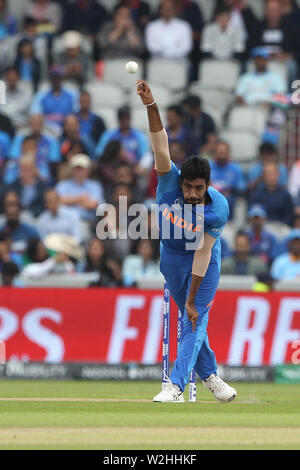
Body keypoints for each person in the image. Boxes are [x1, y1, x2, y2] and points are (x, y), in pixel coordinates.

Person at [136, 79, 237, 403]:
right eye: (188, 187)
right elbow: (159, 142)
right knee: (192, 318)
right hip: (171, 259)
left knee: (192, 317)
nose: (193, 194)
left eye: (199, 188)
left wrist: (193, 299)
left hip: (203, 263)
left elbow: (204, 252)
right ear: (180, 181)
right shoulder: (168, 180)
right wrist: (151, 105)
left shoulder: (218, 208)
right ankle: (211, 376)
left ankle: (175, 385)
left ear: (208, 184)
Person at [5, 114, 60, 185]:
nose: (36, 127)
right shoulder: (20, 139)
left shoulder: (51, 142)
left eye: (38, 124)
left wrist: (34, 170)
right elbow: (8, 182)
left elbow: (47, 179)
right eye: (33, 124)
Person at [96, 106, 152, 173]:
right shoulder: (108, 135)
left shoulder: (139, 135)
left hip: (133, 170)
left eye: (126, 118)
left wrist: (141, 167)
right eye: (122, 119)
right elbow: (100, 153)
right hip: (113, 170)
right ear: (118, 119)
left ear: (130, 118)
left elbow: (145, 154)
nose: (124, 121)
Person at [55, 153, 105, 222]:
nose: (79, 172)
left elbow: (93, 205)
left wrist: (69, 201)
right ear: (72, 170)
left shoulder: (95, 186)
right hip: (65, 221)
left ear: (88, 170)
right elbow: (57, 202)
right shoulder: (62, 185)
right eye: (77, 168)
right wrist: (81, 198)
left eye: (82, 169)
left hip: (86, 221)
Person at [30, 65, 78, 135]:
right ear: (50, 79)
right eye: (53, 78)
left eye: (57, 78)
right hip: (47, 130)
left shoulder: (72, 95)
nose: (55, 80)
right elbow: (35, 114)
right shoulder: (41, 95)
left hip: (66, 129)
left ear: (62, 79)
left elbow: (76, 113)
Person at [249, 161, 294, 226]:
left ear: (278, 174)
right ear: (263, 176)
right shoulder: (256, 194)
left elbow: (289, 217)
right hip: (262, 228)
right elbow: (252, 215)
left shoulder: (286, 195)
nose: (271, 177)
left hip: (281, 227)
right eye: (268, 174)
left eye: (273, 173)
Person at [210, 140, 246, 219]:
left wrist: (229, 189)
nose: (221, 156)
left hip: (229, 204)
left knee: (240, 203)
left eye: (223, 153)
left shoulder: (236, 169)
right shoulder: (207, 167)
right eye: (219, 153)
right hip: (210, 203)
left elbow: (241, 188)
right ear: (214, 153)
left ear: (228, 154)